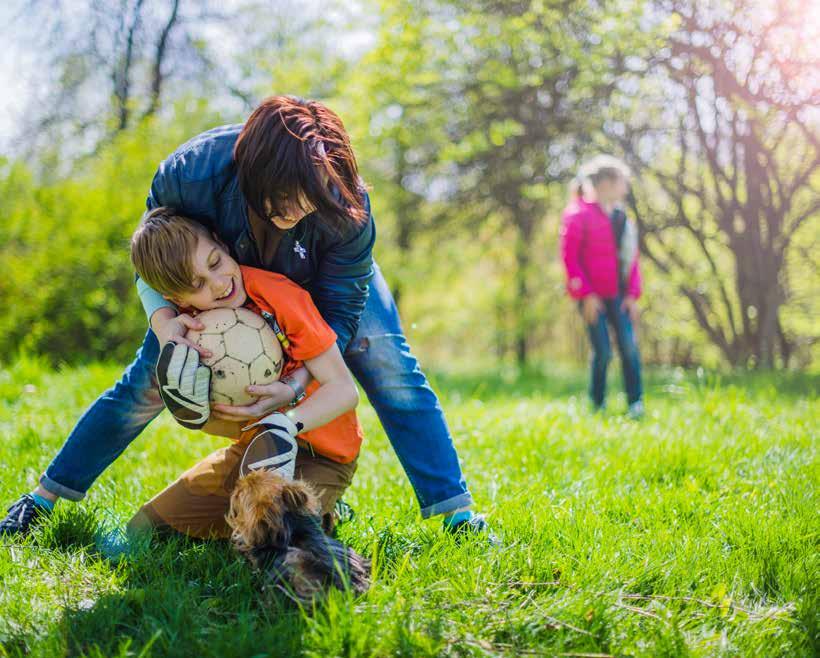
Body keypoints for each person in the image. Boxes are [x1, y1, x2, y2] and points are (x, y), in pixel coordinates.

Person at [1, 96, 490, 539]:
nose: (300, 208)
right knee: (146, 380)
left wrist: (296, 384)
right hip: (217, 278)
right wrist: (164, 322)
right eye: (288, 193)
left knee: (389, 364)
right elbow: (152, 255)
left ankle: (455, 512)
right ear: (251, 170)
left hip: (325, 286)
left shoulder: (347, 204)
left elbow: (342, 310)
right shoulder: (189, 175)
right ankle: (45, 497)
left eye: (313, 195)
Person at [125, 208, 361, 539]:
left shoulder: (278, 295)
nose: (220, 284)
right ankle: (271, 508)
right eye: (198, 284)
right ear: (174, 299)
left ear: (221, 244)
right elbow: (227, 421)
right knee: (144, 532)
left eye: (215, 262)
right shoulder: (189, 331)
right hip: (251, 454)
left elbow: (345, 391)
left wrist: (285, 423)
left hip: (322, 453)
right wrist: (192, 415)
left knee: (275, 537)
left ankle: (316, 510)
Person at [560, 155, 644, 418]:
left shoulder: (621, 219)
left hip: (618, 296)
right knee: (603, 351)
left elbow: (631, 260)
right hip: (592, 297)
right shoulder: (578, 214)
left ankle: (635, 403)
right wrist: (585, 295)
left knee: (629, 347)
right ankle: (597, 403)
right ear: (607, 182)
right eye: (622, 182)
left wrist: (632, 294)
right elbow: (570, 258)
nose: (626, 188)